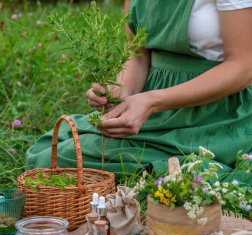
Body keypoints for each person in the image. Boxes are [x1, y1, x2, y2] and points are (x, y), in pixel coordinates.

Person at [26, 0, 252, 184]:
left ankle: (190, 175)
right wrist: (121, 91)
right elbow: (137, 53)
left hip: (217, 113)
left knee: (69, 160)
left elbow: (243, 67)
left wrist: (152, 101)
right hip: (155, 109)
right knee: (51, 155)